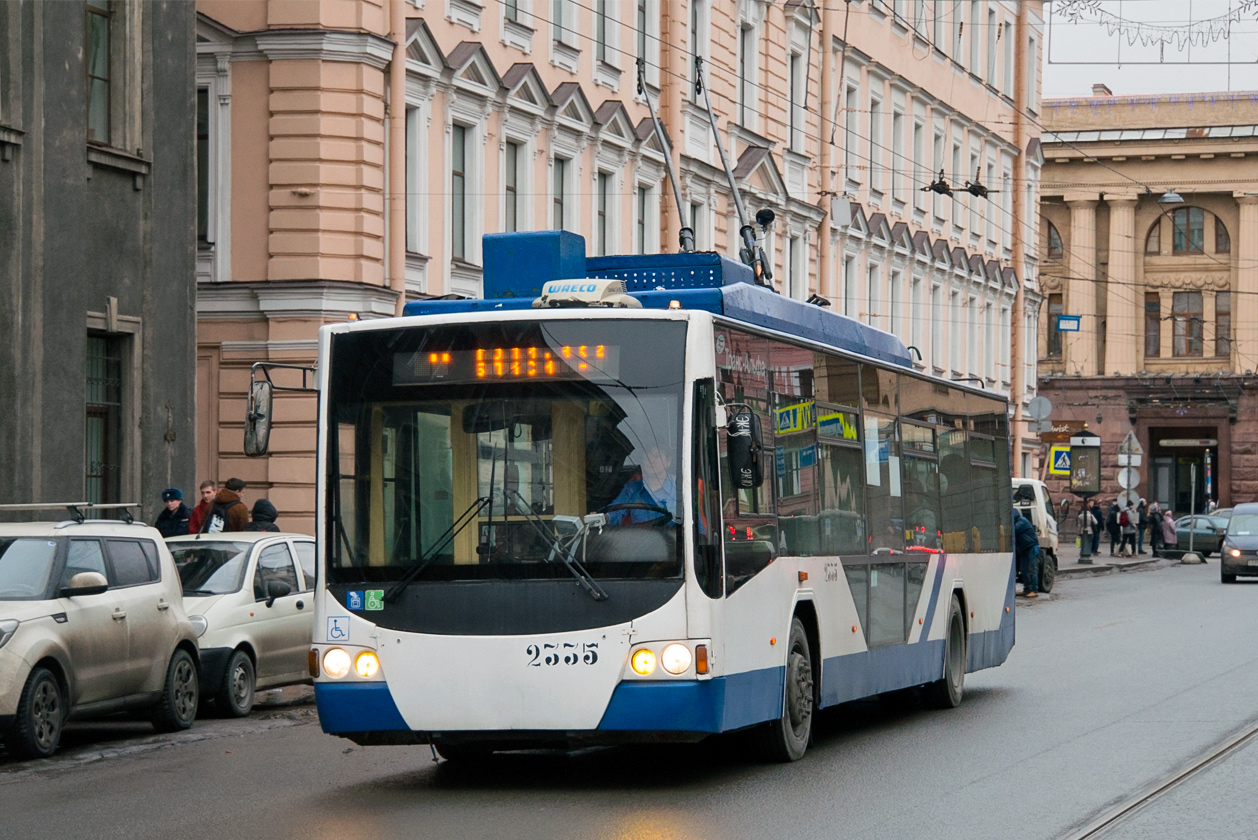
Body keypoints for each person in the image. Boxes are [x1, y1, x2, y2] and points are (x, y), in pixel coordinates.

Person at [607, 444, 677, 525]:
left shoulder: (680, 488)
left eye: (656, 456)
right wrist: (604, 518)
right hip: (639, 536)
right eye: (647, 456)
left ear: (668, 462)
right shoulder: (632, 488)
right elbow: (616, 511)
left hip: (672, 537)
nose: (650, 460)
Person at [1013, 506, 1039, 597]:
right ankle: (1027, 589)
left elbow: (1014, 530)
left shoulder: (1022, 521)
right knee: (1024, 570)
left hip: (1031, 547)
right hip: (1024, 548)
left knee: (1032, 568)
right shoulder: (1019, 521)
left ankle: (1034, 590)